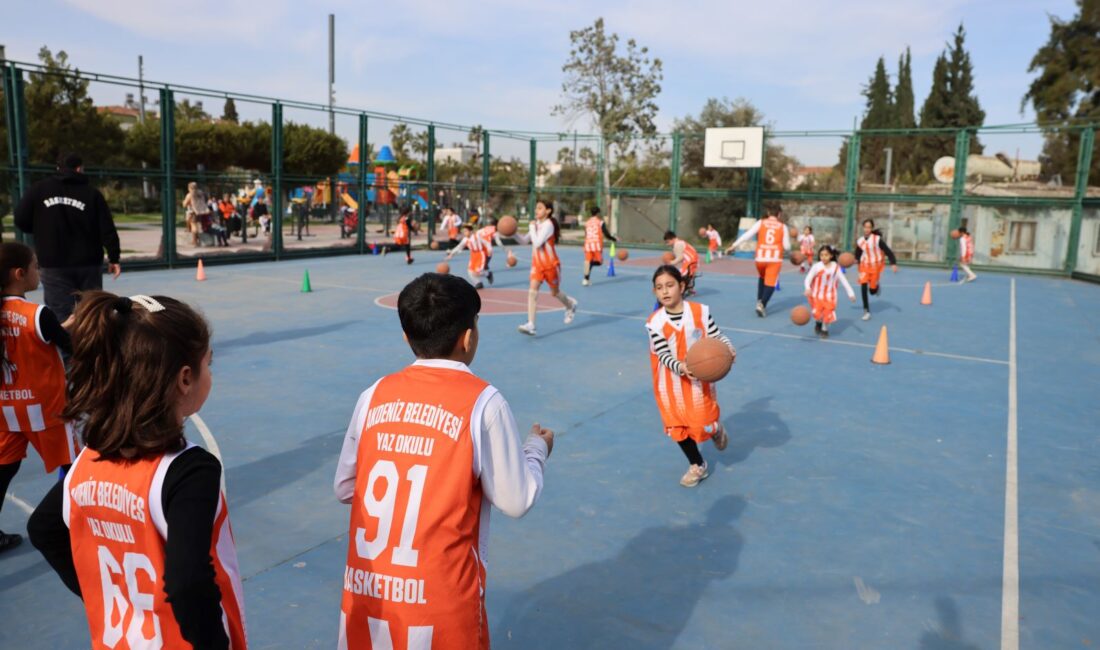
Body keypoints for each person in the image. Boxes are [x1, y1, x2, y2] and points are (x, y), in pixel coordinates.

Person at [333, 272, 552, 648]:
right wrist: (536, 449)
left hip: (370, 593)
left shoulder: (373, 395)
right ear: (468, 338)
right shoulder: (483, 402)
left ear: (406, 336)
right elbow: (517, 500)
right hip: (440, 602)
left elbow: (344, 487)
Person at [28, 291, 246, 649]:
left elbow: (44, 528)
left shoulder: (89, 460)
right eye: (209, 363)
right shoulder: (189, 472)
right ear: (185, 378)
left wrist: (105, 598)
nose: (211, 373)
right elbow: (188, 583)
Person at [0, 242, 79, 554]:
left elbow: (26, 339)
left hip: (6, 410)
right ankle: (75, 526)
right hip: (46, 410)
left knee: (4, 469)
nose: (39, 272)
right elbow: (70, 347)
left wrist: (60, 329)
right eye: (35, 266)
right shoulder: (37, 313)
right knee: (73, 469)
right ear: (20, 274)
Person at [646, 265, 732, 487]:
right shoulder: (654, 322)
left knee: (702, 424)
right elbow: (662, 354)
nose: (664, 291)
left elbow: (716, 336)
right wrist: (681, 367)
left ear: (682, 286)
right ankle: (697, 464)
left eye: (670, 285)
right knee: (677, 427)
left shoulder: (701, 312)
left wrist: (728, 349)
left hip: (698, 383)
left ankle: (715, 428)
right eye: (659, 288)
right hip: (669, 384)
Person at [13, 152, 121, 323]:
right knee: (91, 311)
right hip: (88, 263)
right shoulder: (92, 194)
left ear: (58, 168)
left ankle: (66, 348)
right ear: (79, 169)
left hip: (53, 262)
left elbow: (20, 219)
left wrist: (42, 231)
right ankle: (91, 347)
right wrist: (114, 257)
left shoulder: (39, 189)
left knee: (60, 314)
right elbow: (107, 228)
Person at [513, 199, 578, 336]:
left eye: (540, 208)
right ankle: (531, 324)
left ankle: (570, 305)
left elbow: (537, 243)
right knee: (532, 292)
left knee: (554, 293)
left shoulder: (548, 225)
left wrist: (531, 227)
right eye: (536, 208)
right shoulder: (536, 224)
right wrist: (513, 232)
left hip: (551, 265)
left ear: (548, 211)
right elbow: (525, 241)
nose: (536, 211)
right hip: (537, 265)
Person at [726, 204, 790, 317]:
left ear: (769, 213)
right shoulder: (782, 227)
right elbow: (787, 246)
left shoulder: (761, 222)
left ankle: (759, 300)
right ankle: (762, 304)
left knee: (762, 277)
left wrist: (733, 246)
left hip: (760, 258)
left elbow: (747, 235)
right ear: (779, 214)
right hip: (774, 259)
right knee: (771, 283)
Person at [803, 244, 856, 339]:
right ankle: (818, 322)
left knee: (828, 313)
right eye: (821, 255)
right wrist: (807, 288)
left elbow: (844, 281)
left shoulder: (835, 267)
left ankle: (824, 329)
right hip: (816, 295)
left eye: (826, 255)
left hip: (830, 295)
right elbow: (808, 279)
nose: (823, 257)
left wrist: (851, 293)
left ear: (831, 255)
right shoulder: (816, 267)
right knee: (818, 314)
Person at [854, 218, 898, 321]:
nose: (867, 229)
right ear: (863, 228)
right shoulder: (860, 241)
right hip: (864, 266)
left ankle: (876, 287)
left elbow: (888, 251)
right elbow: (858, 253)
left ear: (872, 228)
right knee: (863, 286)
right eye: (865, 227)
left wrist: (893, 263)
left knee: (872, 291)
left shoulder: (877, 239)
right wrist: (856, 259)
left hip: (875, 266)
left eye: (869, 227)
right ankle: (866, 311)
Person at [446, 224, 493, 289]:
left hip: (480, 254)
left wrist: (489, 249)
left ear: (470, 231)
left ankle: (488, 274)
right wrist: (451, 254)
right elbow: (459, 247)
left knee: (478, 271)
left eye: (465, 231)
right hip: (473, 255)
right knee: (470, 271)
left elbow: (486, 242)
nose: (464, 233)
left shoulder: (477, 236)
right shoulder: (465, 239)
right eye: (463, 232)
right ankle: (478, 283)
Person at [582, 206, 617, 286]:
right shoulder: (600, 222)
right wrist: (613, 239)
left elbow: (586, 234)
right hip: (596, 244)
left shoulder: (587, 222)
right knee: (599, 262)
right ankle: (587, 272)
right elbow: (606, 234)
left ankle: (585, 279)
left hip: (588, 244)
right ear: (598, 213)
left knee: (588, 261)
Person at [663, 231, 700, 296]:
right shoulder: (681, 242)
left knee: (677, 276)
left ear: (672, 239)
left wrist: (671, 262)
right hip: (694, 261)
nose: (667, 244)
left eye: (668, 242)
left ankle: (680, 291)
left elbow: (680, 257)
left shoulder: (677, 244)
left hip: (690, 262)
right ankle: (690, 289)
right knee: (688, 275)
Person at [182, 182, 211, 247]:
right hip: (200, 211)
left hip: (193, 212)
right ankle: (195, 238)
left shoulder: (190, 194)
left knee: (194, 226)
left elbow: (185, 204)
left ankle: (195, 241)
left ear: (189, 188)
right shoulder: (200, 193)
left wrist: (183, 202)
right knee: (194, 224)